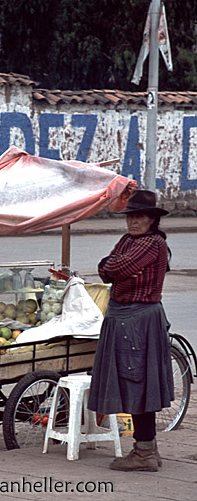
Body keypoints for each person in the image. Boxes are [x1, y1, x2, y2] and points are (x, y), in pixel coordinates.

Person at [87, 189, 174, 472]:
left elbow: (116, 268)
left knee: (137, 383)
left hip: (138, 319)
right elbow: (106, 266)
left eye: (140, 217)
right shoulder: (128, 240)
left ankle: (144, 452)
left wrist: (112, 267)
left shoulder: (152, 244)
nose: (133, 222)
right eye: (131, 217)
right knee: (134, 382)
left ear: (152, 219)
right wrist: (111, 267)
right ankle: (148, 449)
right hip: (124, 317)